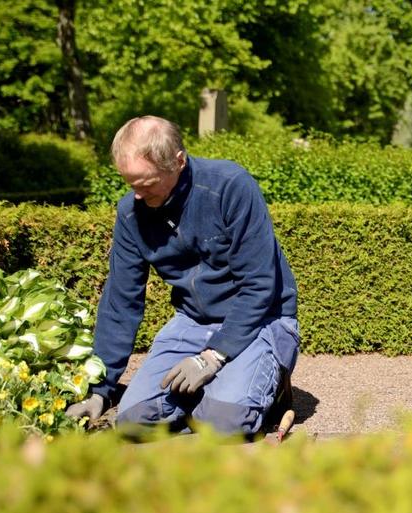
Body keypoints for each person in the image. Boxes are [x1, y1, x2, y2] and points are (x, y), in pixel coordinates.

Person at [66, 116, 299, 438]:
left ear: (178, 161)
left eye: (146, 184)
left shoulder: (230, 186)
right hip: (193, 323)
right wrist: (100, 390)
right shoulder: (131, 213)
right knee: (133, 421)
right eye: (130, 184)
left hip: (262, 319)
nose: (136, 195)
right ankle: (221, 392)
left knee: (224, 424)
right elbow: (121, 300)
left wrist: (213, 356)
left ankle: (263, 392)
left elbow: (260, 285)